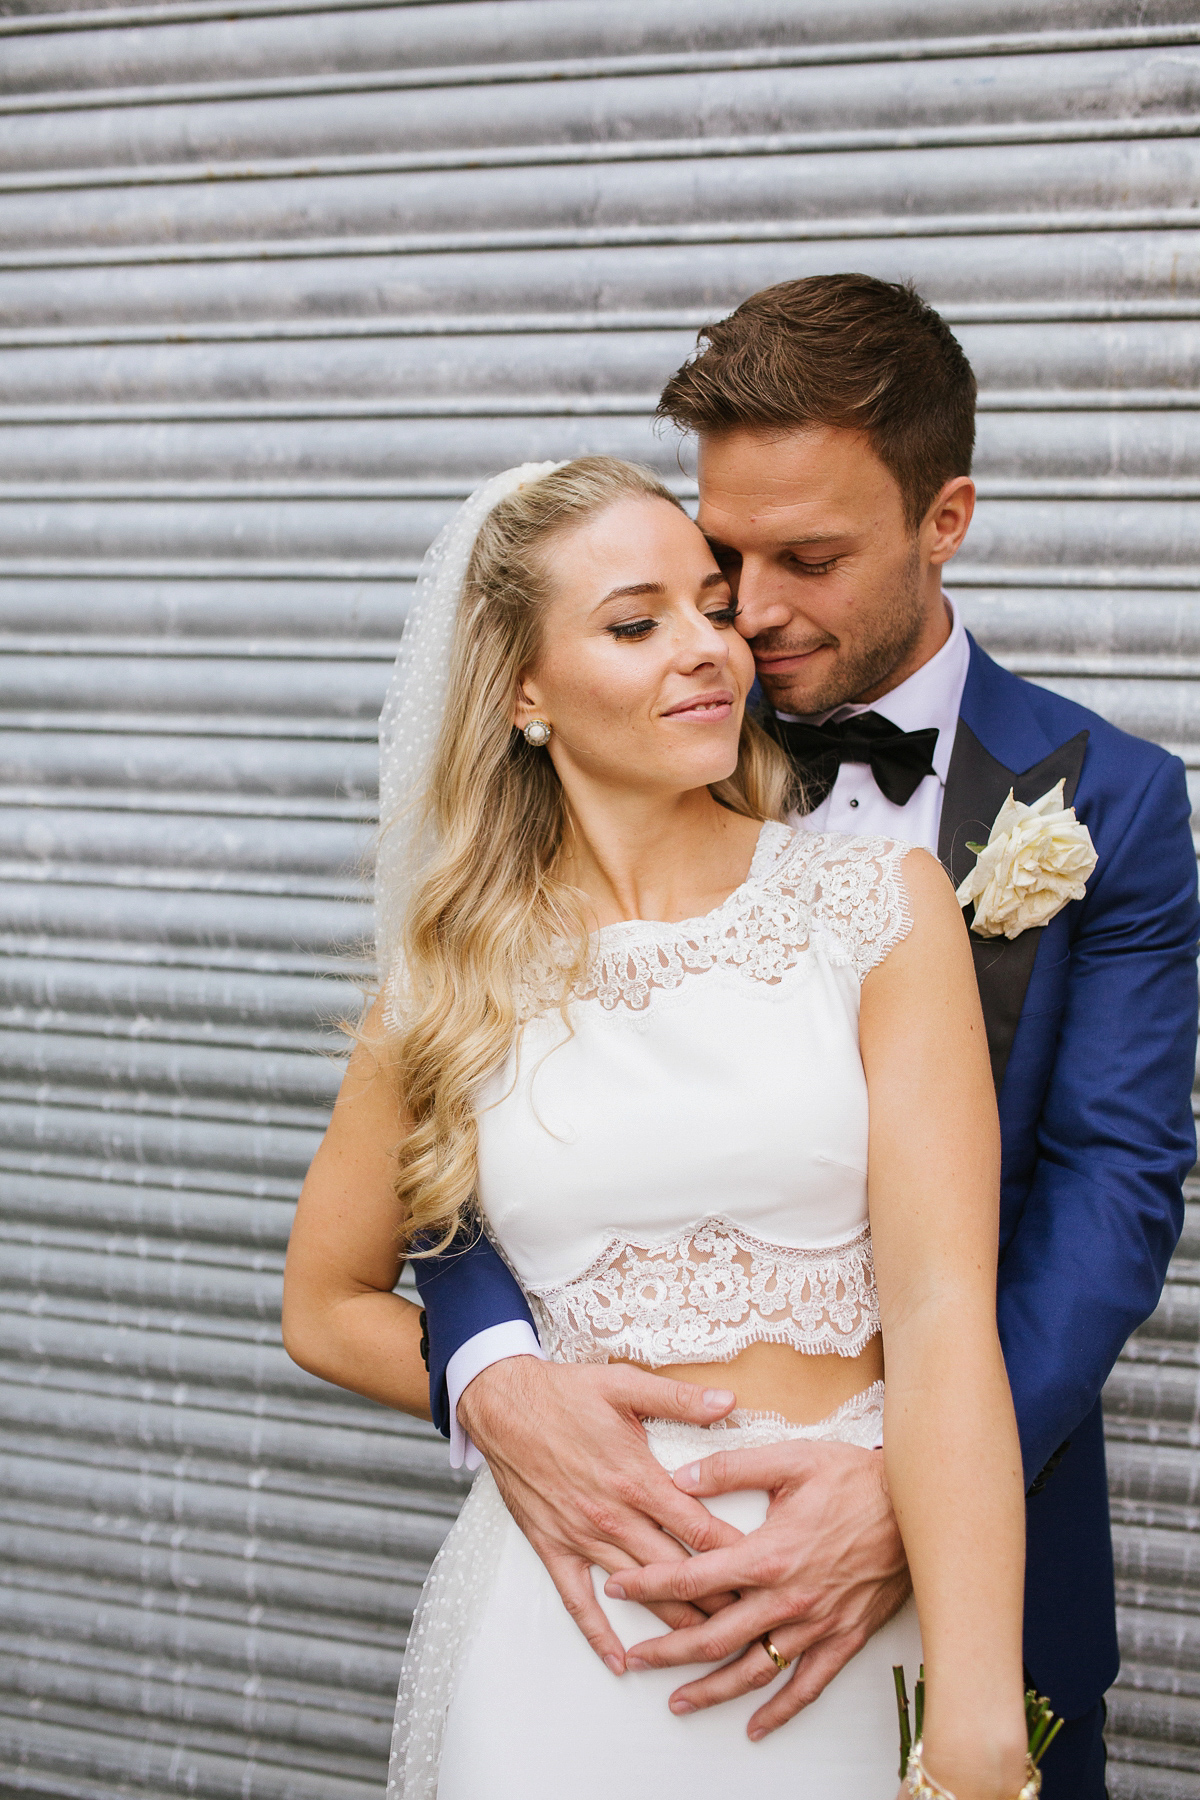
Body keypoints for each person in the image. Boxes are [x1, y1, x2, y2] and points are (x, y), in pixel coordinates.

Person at [404, 278, 1200, 1800]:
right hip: (625, 1590)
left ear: (944, 517)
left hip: (981, 1550)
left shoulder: (1117, 806)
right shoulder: (641, 725)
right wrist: (492, 1367)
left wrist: (903, 1487)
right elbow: (474, 1127)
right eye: (723, 557)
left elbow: (1114, 1197)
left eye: (809, 560)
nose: (747, 615)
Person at [283, 454, 1033, 1798]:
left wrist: (976, 1724)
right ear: (520, 689)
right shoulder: (452, 973)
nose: (708, 650)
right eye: (637, 625)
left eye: (708, 604)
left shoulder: (873, 908)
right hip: (572, 1644)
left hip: (839, 1619)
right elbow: (325, 1301)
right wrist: (497, 1388)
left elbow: (939, 1318)